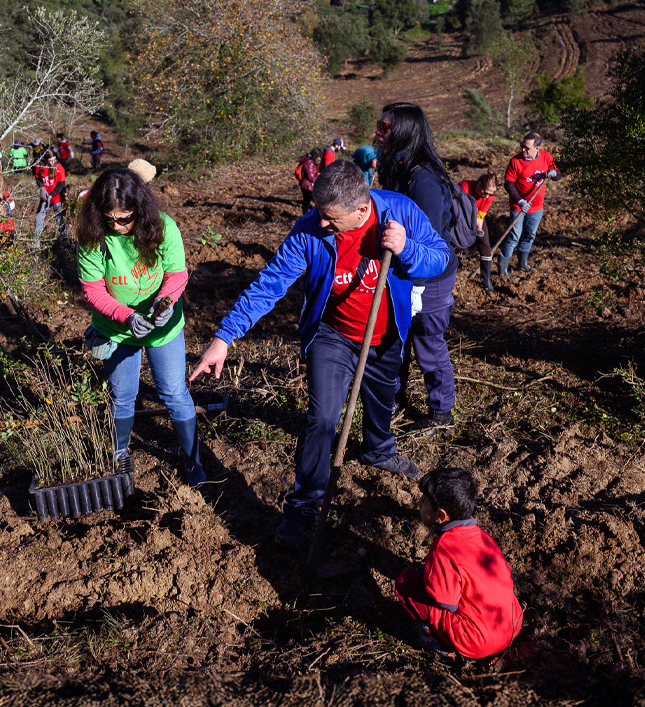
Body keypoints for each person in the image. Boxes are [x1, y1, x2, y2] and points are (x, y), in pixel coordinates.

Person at [190, 161, 451, 545]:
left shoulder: (399, 211)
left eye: (332, 218)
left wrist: (406, 248)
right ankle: (303, 506)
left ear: (362, 210)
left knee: (381, 400)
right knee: (323, 419)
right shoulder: (310, 229)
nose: (322, 223)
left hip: (385, 333)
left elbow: (441, 258)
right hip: (334, 335)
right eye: (319, 214)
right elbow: (270, 284)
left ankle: (379, 451)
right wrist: (224, 337)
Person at [76, 167, 204, 486]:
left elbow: (176, 275)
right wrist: (127, 316)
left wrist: (164, 304)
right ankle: (119, 456)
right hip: (118, 330)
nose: (118, 227)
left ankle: (193, 461)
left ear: (140, 210)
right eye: (110, 219)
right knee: (122, 395)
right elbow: (92, 288)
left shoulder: (164, 228)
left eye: (125, 219)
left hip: (164, 327)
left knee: (173, 391)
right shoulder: (94, 237)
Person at [375, 102, 459, 436]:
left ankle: (441, 412)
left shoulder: (422, 175)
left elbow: (431, 240)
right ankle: (393, 399)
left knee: (427, 340)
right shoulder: (397, 165)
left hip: (429, 275)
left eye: (385, 127)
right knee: (395, 334)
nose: (378, 132)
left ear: (404, 131)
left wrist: (418, 283)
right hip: (401, 271)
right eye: (379, 125)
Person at [395, 466, 523, 660]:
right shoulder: (484, 537)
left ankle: (436, 642)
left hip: (478, 642)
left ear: (440, 516)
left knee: (406, 580)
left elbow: (446, 604)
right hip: (512, 625)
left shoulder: (443, 547)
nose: (419, 504)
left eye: (423, 502)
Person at [499, 132, 560, 276]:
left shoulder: (546, 157)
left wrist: (553, 174)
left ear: (537, 148)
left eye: (526, 148)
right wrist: (520, 201)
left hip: (537, 207)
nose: (523, 150)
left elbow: (558, 174)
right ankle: (503, 270)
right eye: (522, 146)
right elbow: (508, 184)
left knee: (529, 235)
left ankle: (522, 263)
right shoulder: (515, 161)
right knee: (514, 236)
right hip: (518, 206)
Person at [459, 170, 499, 291]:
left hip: (475, 217)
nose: (487, 196)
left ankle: (486, 280)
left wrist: (479, 229)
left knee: (485, 244)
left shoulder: (490, 195)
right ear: (479, 185)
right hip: (458, 217)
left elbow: (480, 215)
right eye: (486, 193)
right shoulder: (464, 187)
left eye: (490, 194)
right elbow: (456, 210)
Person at [33, 149, 67, 245]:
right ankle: (36, 244)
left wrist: (51, 195)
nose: (53, 162)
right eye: (50, 161)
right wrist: (42, 188)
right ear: (45, 160)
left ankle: (64, 241)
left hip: (57, 199)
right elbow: (38, 179)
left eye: (54, 160)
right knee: (38, 219)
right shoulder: (39, 166)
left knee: (60, 220)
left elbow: (61, 185)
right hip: (44, 198)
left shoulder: (59, 168)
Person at [295, 148, 324, 214]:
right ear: (315, 155)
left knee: (306, 201)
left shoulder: (306, 159)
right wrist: (319, 175)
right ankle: (314, 216)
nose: (319, 159)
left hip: (304, 185)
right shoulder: (310, 163)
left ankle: (305, 215)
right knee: (316, 201)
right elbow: (311, 178)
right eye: (319, 156)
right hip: (308, 186)